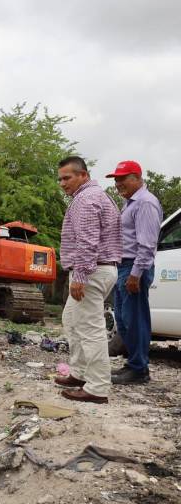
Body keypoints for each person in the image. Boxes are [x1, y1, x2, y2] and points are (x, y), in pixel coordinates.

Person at [55, 156, 121, 403]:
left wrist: (79, 276)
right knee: (71, 319)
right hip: (99, 269)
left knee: (90, 329)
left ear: (83, 175)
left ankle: (97, 388)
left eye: (67, 177)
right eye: (60, 178)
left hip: (91, 271)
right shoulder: (93, 196)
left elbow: (88, 241)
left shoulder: (86, 199)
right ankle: (80, 373)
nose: (62, 183)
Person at [106, 160, 162, 385]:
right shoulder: (130, 203)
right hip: (124, 266)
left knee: (135, 319)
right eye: (116, 179)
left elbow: (147, 245)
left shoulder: (146, 203)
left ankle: (139, 369)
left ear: (137, 178)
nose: (118, 183)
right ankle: (133, 364)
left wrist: (135, 274)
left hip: (134, 267)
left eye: (123, 178)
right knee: (123, 319)